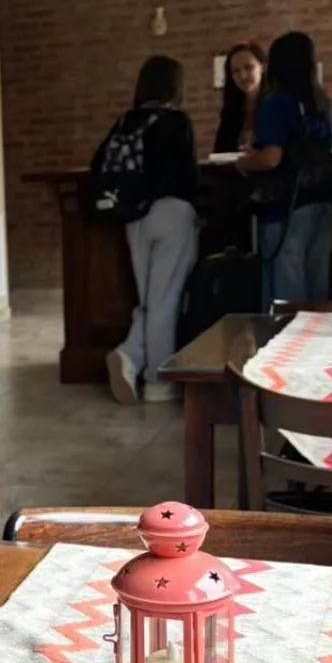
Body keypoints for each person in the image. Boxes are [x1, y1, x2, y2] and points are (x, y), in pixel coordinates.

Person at [96, 56, 200, 406]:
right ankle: (157, 381)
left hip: (134, 217)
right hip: (172, 212)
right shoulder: (176, 122)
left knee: (150, 301)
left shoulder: (127, 121)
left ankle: (129, 356)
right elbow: (189, 175)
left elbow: (99, 166)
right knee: (166, 301)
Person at [236, 31, 332, 307]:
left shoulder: (278, 102)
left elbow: (271, 158)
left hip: (286, 209)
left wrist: (242, 162)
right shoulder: (321, 103)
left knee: (288, 299)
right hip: (321, 203)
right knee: (317, 294)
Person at [213, 41, 266, 153]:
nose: (242, 76)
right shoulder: (231, 110)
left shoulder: (276, 105)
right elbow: (220, 151)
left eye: (248, 67)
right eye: (236, 71)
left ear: (262, 66)